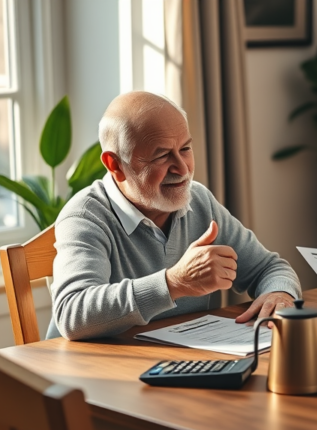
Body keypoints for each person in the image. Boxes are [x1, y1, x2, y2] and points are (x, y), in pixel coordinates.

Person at [47, 91, 301, 340]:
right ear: (115, 165)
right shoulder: (85, 216)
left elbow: (268, 268)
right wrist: (173, 283)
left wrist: (279, 294)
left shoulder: (199, 200)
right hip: (94, 364)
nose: (182, 168)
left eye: (185, 148)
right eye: (162, 156)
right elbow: (73, 313)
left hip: (181, 357)